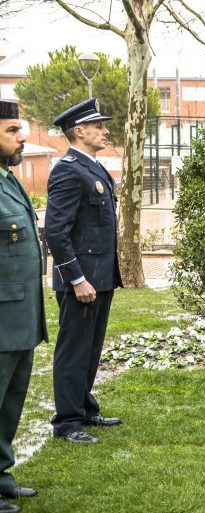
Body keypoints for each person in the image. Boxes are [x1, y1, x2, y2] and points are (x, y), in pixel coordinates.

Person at [45, 99, 123, 444]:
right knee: (73, 350)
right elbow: (56, 231)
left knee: (90, 349)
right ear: (80, 131)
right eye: (99, 126)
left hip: (99, 276)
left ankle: (84, 407)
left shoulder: (92, 166)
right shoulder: (68, 169)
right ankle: (67, 422)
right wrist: (76, 279)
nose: (105, 131)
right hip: (83, 280)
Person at [0, 100, 47, 513]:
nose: (23, 137)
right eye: (13, 130)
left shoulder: (8, 179)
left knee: (10, 401)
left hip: (18, 317)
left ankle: (1, 475)